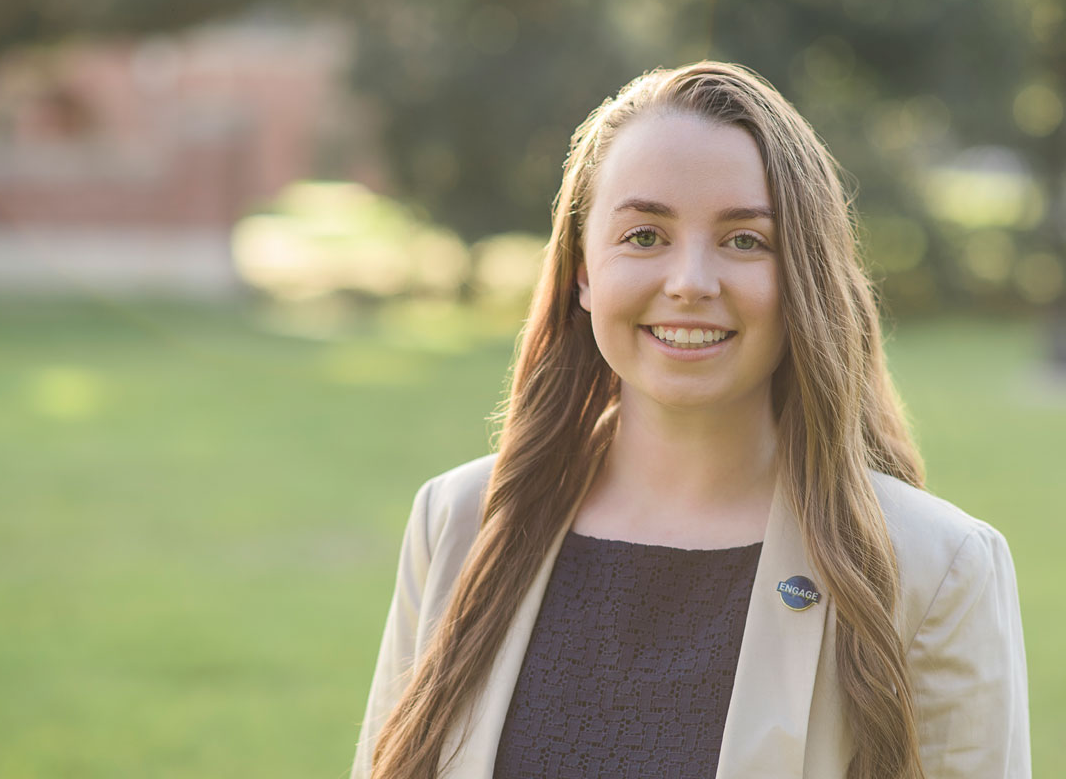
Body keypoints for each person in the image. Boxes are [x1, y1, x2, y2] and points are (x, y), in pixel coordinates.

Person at [350, 62, 1030, 779]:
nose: (690, 283)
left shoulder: (936, 570)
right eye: (645, 236)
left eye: (744, 241)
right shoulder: (456, 524)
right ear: (583, 270)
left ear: (806, 274)